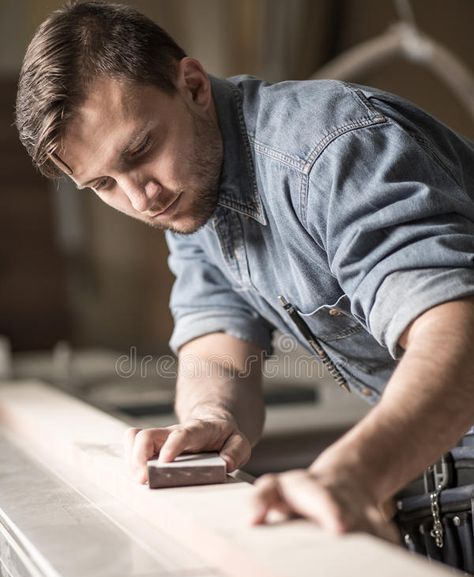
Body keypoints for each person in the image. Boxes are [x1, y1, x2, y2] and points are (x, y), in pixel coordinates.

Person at [16, 0, 474, 542]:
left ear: (191, 84)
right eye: (104, 184)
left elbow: (459, 335)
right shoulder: (189, 190)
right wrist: (211, 417)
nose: (141, 198)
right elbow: (216, 338)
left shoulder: (333, 152)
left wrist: (352, 473)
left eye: (141, 149)